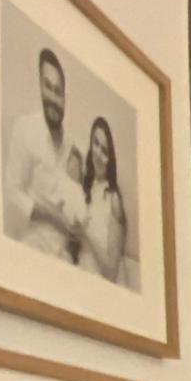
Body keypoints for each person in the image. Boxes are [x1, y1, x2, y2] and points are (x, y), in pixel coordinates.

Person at [3, 47, 84, 260]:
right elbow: (11, 192)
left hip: (65, 258)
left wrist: (77, 229)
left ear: (65, 97)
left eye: (59, 91)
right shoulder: (25, 128)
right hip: (33, 250)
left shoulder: (72, 146)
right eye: (48, 87)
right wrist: (50, 216)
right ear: (39, 87)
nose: (54, 97)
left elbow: (75, 199)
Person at [79, 116, 128, 283]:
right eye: (95, 143)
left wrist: (84, 231)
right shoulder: (85, 187)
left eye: (105, 151)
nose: (98, 154)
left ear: (110, 159)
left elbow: (112, 272)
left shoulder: (113, 199)